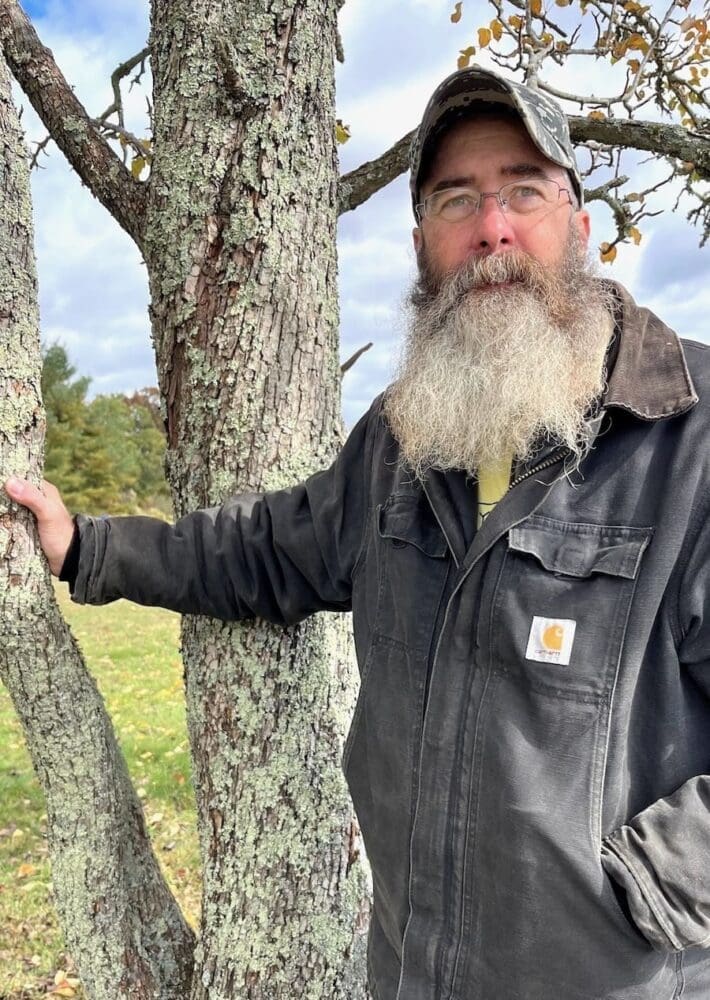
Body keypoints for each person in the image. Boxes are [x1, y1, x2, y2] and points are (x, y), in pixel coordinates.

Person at [5, 65, 710, 1000]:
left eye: (524, 191)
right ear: (423, 243)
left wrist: (659, 895)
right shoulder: (402, 438)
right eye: (457, 199)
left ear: (578, 225)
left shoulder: (691, 440)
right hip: (411, 971)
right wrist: (89, 546)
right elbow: (266, 549)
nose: (492, 229)